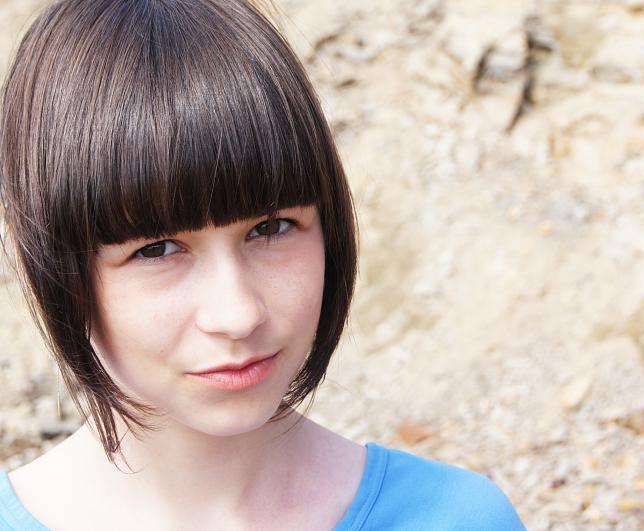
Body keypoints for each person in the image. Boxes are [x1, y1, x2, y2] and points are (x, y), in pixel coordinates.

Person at [0, 1, 526, 529]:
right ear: (44, 264)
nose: (238, 314)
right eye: (156, 249)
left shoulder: (458, 518)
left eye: (271, 228)